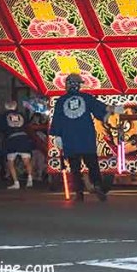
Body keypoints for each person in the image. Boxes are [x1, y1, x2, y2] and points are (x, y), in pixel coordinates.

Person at [49, 73, 122, 202]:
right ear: (78, 85)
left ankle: (79, 193)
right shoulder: (86, 98)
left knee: (75, 167)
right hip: (86, 136)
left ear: (68, 85)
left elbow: (57, 120)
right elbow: (102, 108)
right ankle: (98, 185)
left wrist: (58, 137)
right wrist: (116, 109)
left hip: (69, 138)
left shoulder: (61, 101)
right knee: (92, 164)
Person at [0, 100, 35, 190]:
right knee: (26, 160)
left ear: (6, 107)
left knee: (11, 162)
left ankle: (16, 182)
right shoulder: (21, 115)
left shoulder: (4, 116)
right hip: (23, 138)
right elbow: (27, 124)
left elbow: (0, 127)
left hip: (12, 139)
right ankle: (30, 179)